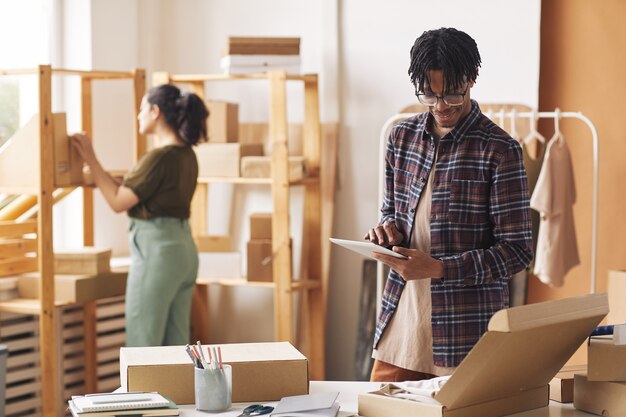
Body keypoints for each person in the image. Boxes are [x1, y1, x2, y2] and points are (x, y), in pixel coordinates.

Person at [365, 28, 533, 381]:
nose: (441, 106)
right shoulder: (401, 138)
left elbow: (517, 251)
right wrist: (386, 233)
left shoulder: (500, 150)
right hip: (402, 329)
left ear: (472, 79)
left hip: (465, 335)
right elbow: (393, 213)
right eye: (430, 95)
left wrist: (439, 268)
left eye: (453, 94)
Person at [72, 84, 209, 347]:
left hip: (157, 257)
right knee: (177, 347)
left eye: (142, 109)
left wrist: (91, 158)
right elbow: (137, 189)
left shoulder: (158, 157)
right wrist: (101, 178)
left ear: (156, 112)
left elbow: (118, 201)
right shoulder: (187, 155)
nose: (138, 115)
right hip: (184, 253)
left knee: (143, 347)